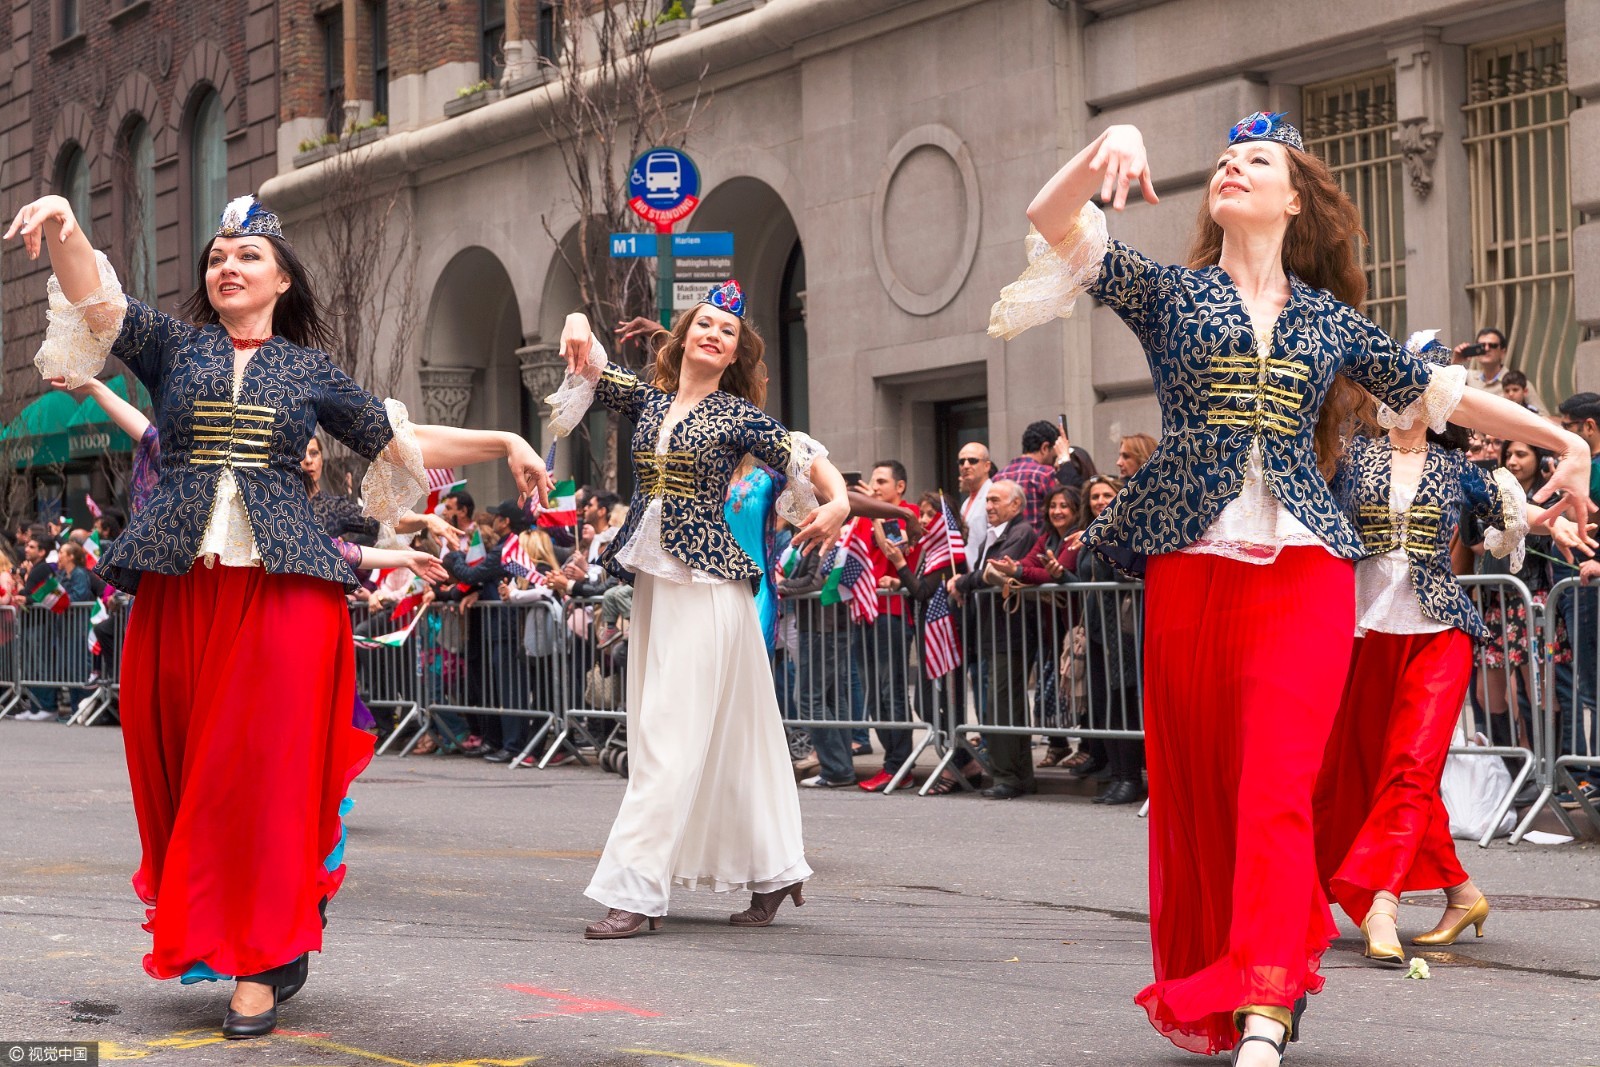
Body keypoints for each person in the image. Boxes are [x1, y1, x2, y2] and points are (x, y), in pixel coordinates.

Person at [993, 113, 1592, 1064]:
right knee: (1205, 792)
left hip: (1307, 572)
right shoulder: (1170, 294)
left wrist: (1564, 440)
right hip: (1192, 567)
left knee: (1277, 788)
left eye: (1256, 160)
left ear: (1294, 196)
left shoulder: (1329, 321)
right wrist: (1109, 137)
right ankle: (1239, 975)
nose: (1232, 167)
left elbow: (1437, 393)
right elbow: (1049, 215)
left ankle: (1270, 1005)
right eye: (1224, 160)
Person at [7, 191, 548, 1039]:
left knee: (261, 779)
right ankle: (250, 927)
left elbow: (398, 442)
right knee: (189, 776)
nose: (228, 265)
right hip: (182, 592)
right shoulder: (172, 346)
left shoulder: (311, 372)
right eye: (218, 255)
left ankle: (260, 961)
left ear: (282, 280)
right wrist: (70, 227)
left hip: (284, 596)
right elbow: (97, 302)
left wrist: (503, 441)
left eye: (248, 256)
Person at [552, 280, 850, 940]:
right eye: (707, 324)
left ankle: (635, 890)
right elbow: (591, 365)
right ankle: (776, 869)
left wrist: (838, 501)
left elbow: (805, 459)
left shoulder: (739, 416)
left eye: (730, 333)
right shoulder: (649, 400)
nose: (716, 335)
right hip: (660, 582)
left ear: (735, 353)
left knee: (665, 732)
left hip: (710, 585)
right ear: (685, 335)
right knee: (730, 736)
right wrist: (576, 316)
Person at [1314, 402, 1568, 971]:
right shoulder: (1353, 460)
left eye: (1420, 394)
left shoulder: (1459, 469)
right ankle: (1461, 893)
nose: (1405, 403)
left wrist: (1548, 520)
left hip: (1440, 631)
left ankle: (1381, 901)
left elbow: (1512, 512)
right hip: (1366, 631)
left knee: (1411, 765)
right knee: (1359, 766)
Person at [948, 480, 1037, 798]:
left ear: (1016, 505)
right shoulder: (992, 534)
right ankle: (1018, 775)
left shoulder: (1021, 531)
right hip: (990, 630)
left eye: (996, 501)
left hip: (1009, 631)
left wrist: (963, 581)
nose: (989, 506)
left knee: (1002, 706)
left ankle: (1007, 777)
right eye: (987, 502)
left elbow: (993, 572)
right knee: (1001, 706)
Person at [989, 485, 1083, 768]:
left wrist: (1018, 572)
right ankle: (1057, 744)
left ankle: (1090, 747)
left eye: (1064, 506)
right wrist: (1016, 567)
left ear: (1076, 510)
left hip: (1077, 625)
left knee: (1081, 689)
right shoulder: (1045, 537)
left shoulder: (1074, 539)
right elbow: (1031, 564)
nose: (1057, 511)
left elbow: (1053, 571)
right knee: (1050, 691)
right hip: (1050, 628)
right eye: (1053, 506)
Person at [1453, 327, 1546, 412]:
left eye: (1492, 345)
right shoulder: (1467, 377)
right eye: (1481, 346)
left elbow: (1543, 417)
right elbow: (1442, 387)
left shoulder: (1516, 383)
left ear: (1503, 352)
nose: (1486, 349)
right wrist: (1455, 361)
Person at [997, 421, 1063, 529]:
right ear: (1045, 448)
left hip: (1007, 544)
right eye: (1054, 456)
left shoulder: (998, 477)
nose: (1054, 460)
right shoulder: (1046, 474)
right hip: (1038, 544)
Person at [956, 441, 994, 569]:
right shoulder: (966, 503)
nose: (965, 466)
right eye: (961, 462)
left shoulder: (994, 496)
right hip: (969, 580)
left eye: (972, 460)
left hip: (983, 579)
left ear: (987, 466)